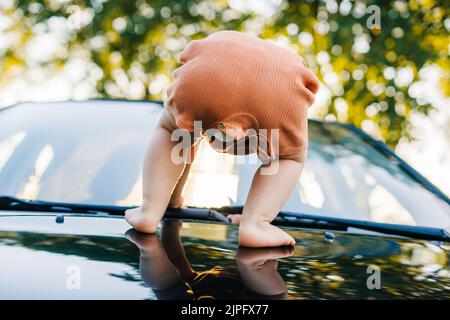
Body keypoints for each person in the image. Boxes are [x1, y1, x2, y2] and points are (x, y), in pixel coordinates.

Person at [125, 31, 319, 247]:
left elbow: (183, 146)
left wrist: (164, 203)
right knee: (289, 158)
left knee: (172, 131)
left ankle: (151, 210)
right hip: (283, 84)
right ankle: (255, 223)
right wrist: (175, 201)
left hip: (210, 66)